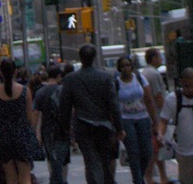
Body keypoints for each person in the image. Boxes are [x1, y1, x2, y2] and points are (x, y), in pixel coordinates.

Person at [58, 43, 123, 184]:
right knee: (105, 161)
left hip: (83, 126)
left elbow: (65, 105)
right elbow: (114, 104)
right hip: (104, 126)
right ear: (94, 57)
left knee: (91, 161)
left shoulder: (71, 79)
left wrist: (65, 127)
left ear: (80, 58)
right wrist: (119, 128)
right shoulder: (106, 77)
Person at [0, 58, 37, 184]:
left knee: (10, 175)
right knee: (25, 175)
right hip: (22, 135)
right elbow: (29, 118)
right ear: (15, 72)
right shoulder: (25, 91)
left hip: (3, 136)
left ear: (1, 73)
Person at [158, 66, 193, 184]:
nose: (190, 90)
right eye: (186, 86)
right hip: (184, 151)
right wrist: (160, 133)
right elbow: (163, 120)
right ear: (181, 83)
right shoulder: (172, 99)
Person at [115, 56, 157, 184]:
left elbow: (149, 100)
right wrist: (117, 126)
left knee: (147, 151)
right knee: (133, 152)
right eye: (123, 66)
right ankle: (138, 180)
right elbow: (113, 104)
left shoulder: (139, 79)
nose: (126, 68)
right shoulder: (116, 83)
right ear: (119, 68)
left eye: (128, 65)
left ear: (132, 67)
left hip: (142, 118)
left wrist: (155, 121)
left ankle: (141, 175)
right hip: (126, 119)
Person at [32, 64, 70, 184]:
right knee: (64, 158)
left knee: (51, 157)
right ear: (59, 76)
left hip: (47, 129)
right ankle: (62, 179)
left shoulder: (40, 92)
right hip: (63, 129)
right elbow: (71, 110)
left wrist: (36, 133)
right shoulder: (64, 90)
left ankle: (54, 177)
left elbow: (37, 114)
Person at [141, 48, 169, 184]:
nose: (161, 59)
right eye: (159, 56)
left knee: (157, 147)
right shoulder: (153, 74)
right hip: (156, 115)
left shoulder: (144, 73)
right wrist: (165, 115)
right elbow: (158, 96)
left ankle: (163, 176)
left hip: (147, 114)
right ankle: (149, 176)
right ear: (153, 58)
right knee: (155, 147)